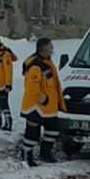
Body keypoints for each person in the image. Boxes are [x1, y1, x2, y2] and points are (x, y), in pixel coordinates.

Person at [20, 38, 66, 166]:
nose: (52, 50)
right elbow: (32, 88)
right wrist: (43, 98)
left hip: (49, 109)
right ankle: (26, 155)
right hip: (36, 108)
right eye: (50, 47)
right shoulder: (35, 65)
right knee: (32, 134)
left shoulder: (47, 62)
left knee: (53, 130)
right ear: (43, 49)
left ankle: (45, 153)